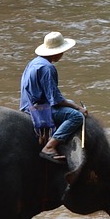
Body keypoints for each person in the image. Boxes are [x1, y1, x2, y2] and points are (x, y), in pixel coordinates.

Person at [20, 31, 88, 163]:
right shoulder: (48, 68)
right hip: (39, 109)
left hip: (28, 105)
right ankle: (50, 146)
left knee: (70, 103)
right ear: (57, 52)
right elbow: (55, 99)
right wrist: (78, 108)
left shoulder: (34, 62)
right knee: (76, 116)